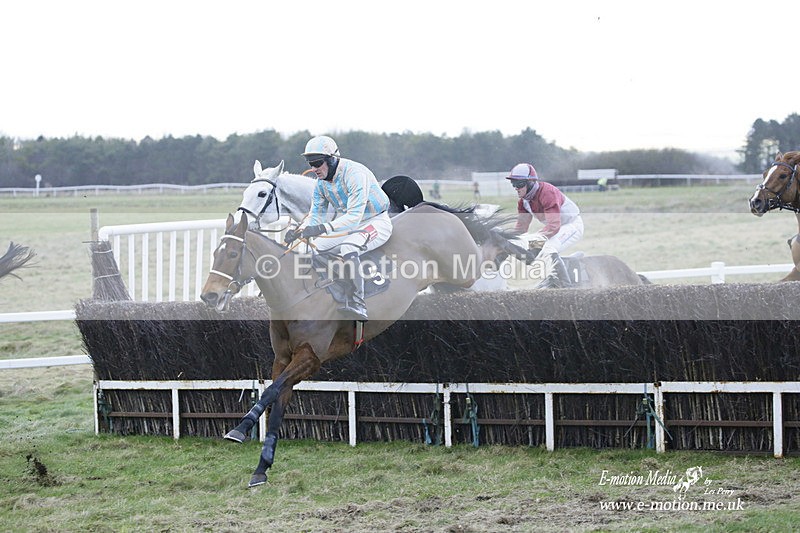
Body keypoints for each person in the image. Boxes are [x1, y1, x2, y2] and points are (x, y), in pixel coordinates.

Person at [285, 135, 392, 320]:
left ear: (332, 159)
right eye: (310, 163)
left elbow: (353, 217)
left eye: (317, 163)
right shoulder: (321, 184)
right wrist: (299, 230)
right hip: (353, 224)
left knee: (349, 247)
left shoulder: (355, 174)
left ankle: (359, 303)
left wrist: (322, 228)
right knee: (317, 247)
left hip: (376, 221)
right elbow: (315, 214)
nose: (314, 168)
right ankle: (336, 289)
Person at [507, 162, 584, 288]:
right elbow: (520, 229)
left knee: (547, 248)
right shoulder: (523, 202)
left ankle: (567, 288)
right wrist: (506, 241)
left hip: (572, 226)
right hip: (558, 229)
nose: (516, 187)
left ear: (531, 182)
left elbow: (553, 226)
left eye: (519, 184)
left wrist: (533, 242)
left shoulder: (547, 192)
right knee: (529, 246)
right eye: (513, 183)